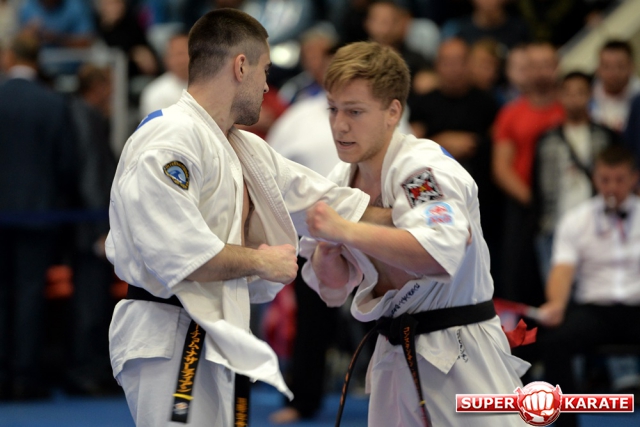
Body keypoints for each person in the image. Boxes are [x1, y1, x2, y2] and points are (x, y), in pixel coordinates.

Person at [106, 9, 379, 426]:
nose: (268, 85)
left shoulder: (238, 145)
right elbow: (181, 255)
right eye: (265, 70)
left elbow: (328, 203)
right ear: (240, 66)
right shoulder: (170, 138)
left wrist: (419, 221)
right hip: (171, 333)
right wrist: (261, 261)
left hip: (219, 332)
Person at [299, 40, 530, 427]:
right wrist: (328, 249)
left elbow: (436, 255)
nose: (339, 125)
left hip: (460, 351)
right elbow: (333, 289)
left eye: (355, 111)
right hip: (392, 353)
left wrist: (345, 229)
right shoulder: (340, 181)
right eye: (333, 109)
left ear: (393, 112)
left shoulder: (422, 171)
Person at [536, 144, 640, 427]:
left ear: (634, 178)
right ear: (595, 178)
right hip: (594, 310)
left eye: (619, 180)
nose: (612, 187)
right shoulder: (576, 219)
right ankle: (566, 423)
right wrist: (556, 305)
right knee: (555, 342)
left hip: (636, 307)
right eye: (605, 179)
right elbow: (562, 270)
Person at [0, 32, 77, 400]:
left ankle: (2, 374)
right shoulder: (53, 102)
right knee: (31, 293)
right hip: (39, 213)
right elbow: (67, 163)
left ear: (9, 57)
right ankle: (25, 376)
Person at [533, 71, 620, 281]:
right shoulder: (547, 140)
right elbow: (536, 185)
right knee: (557, 289)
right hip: (555, 224)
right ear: (560, 95)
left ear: (590, 95)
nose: (574, 99)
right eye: (569, 93)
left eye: (580, 92)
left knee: (596, 286)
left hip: (598, 225)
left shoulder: (606, 136)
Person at [591, 40, 640, 134]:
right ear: (598, 69)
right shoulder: (588, 95)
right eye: (606, 66)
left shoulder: (638, 93)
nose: (613, 73)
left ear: (631, 67)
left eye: (620, 66)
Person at [139, 32, 188, 119]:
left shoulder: (210, 87)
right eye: (176, 55)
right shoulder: (155, 93)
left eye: (183, 53)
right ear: (166, 59)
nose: (181, 60)